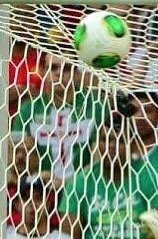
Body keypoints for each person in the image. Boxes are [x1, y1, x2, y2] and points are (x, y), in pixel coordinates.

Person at [10, 54, 106, 185]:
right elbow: (13, 157)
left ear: (76, 73)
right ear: (44, 72)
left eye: (66, 68)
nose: (59, 73)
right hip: (40, 188)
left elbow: (102, 158)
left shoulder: (95, 106)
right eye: (53, 68)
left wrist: (70, 183)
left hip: (83, 187)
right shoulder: (29, 109)